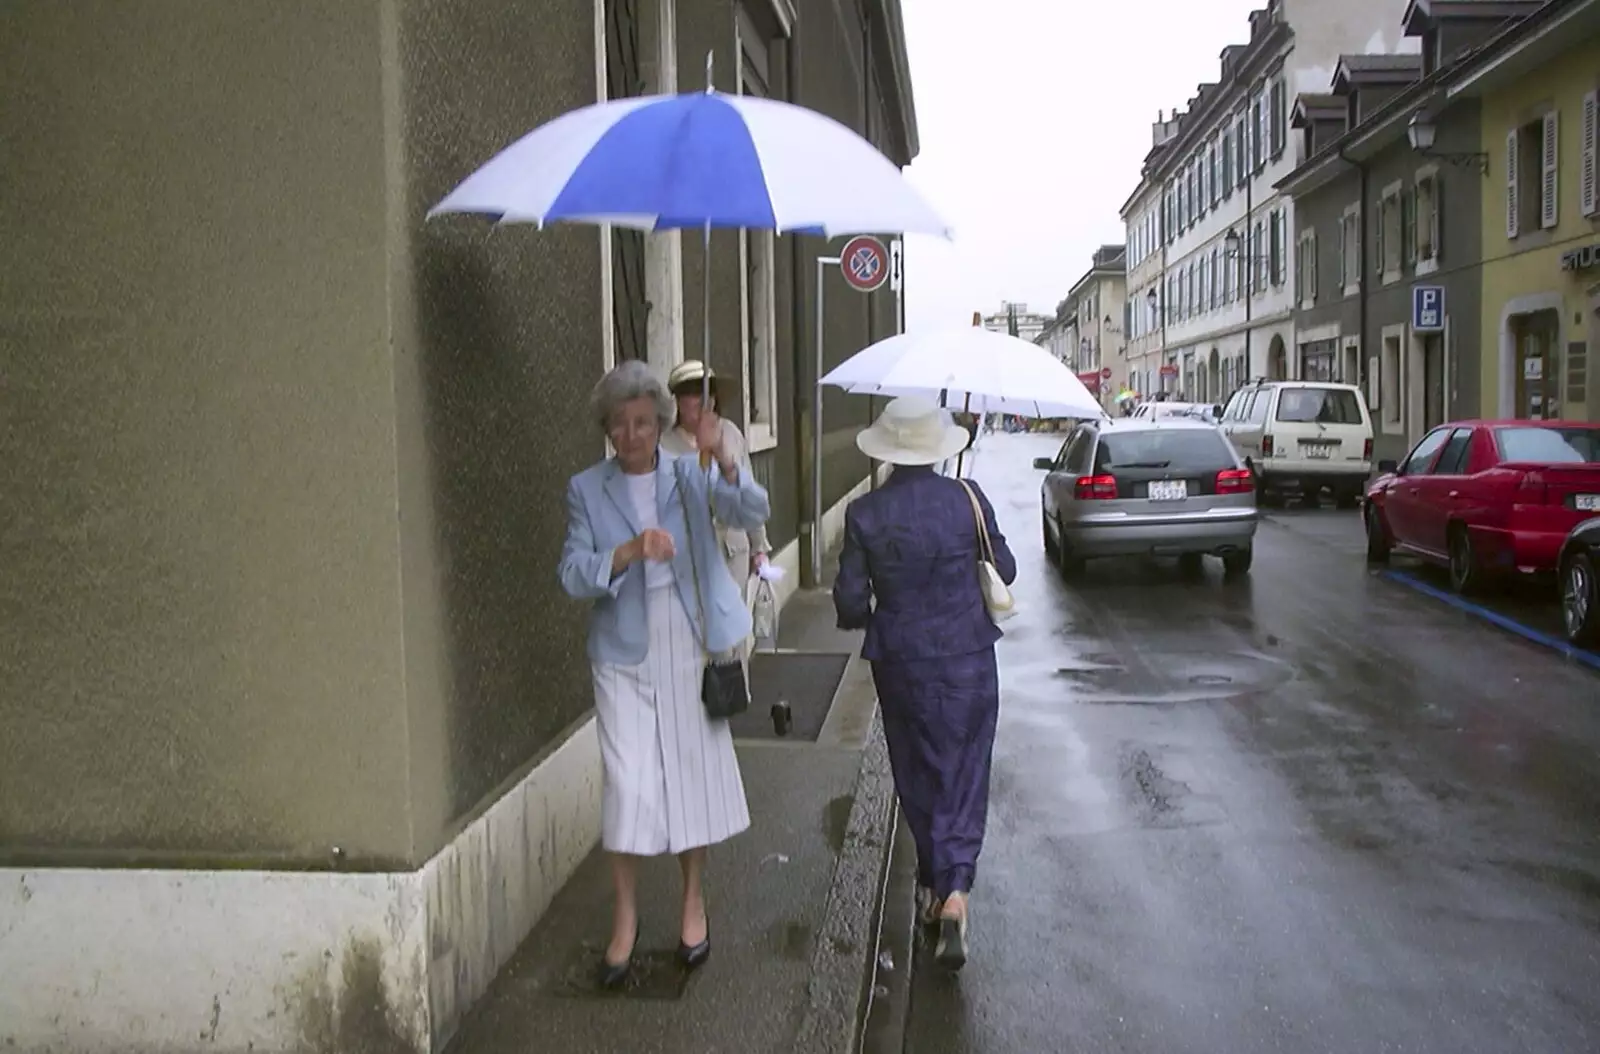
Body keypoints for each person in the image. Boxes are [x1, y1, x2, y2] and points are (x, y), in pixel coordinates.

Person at [558, 360, 771, 989]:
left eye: (645, 422)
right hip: (621, 651)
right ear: (607, 429)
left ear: (661, 424)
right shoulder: (585, 489)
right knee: (628, 784)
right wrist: (627, 552)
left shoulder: (688, 474)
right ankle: (625, 918)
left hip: (685, 639)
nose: (633, 435)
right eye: (620, 425)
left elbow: (748, 506)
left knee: (689, 772)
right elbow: (571, 574)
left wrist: (723, 458)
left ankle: (691, 902)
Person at [831, 397, 1017, 971]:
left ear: (887, 448)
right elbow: (1004, 570)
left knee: (918, 769)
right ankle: (956, 890)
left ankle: (939, 886)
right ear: (939, 448)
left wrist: (877, 609)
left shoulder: (865, 514)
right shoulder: (968, 499)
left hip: (903, 660)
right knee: (965, 769)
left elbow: (849, 601)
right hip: (968, 657)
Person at [660, 360, 772, 651]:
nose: (700, 401)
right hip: (692, 556)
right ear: (678, 401)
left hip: (733, 551)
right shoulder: (665, 447)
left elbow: (746, 490)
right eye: (691, 393)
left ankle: (737, 693)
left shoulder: (731, 434)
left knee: (733, 634)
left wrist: (759, 547)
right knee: (700, 638)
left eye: (706, 392)